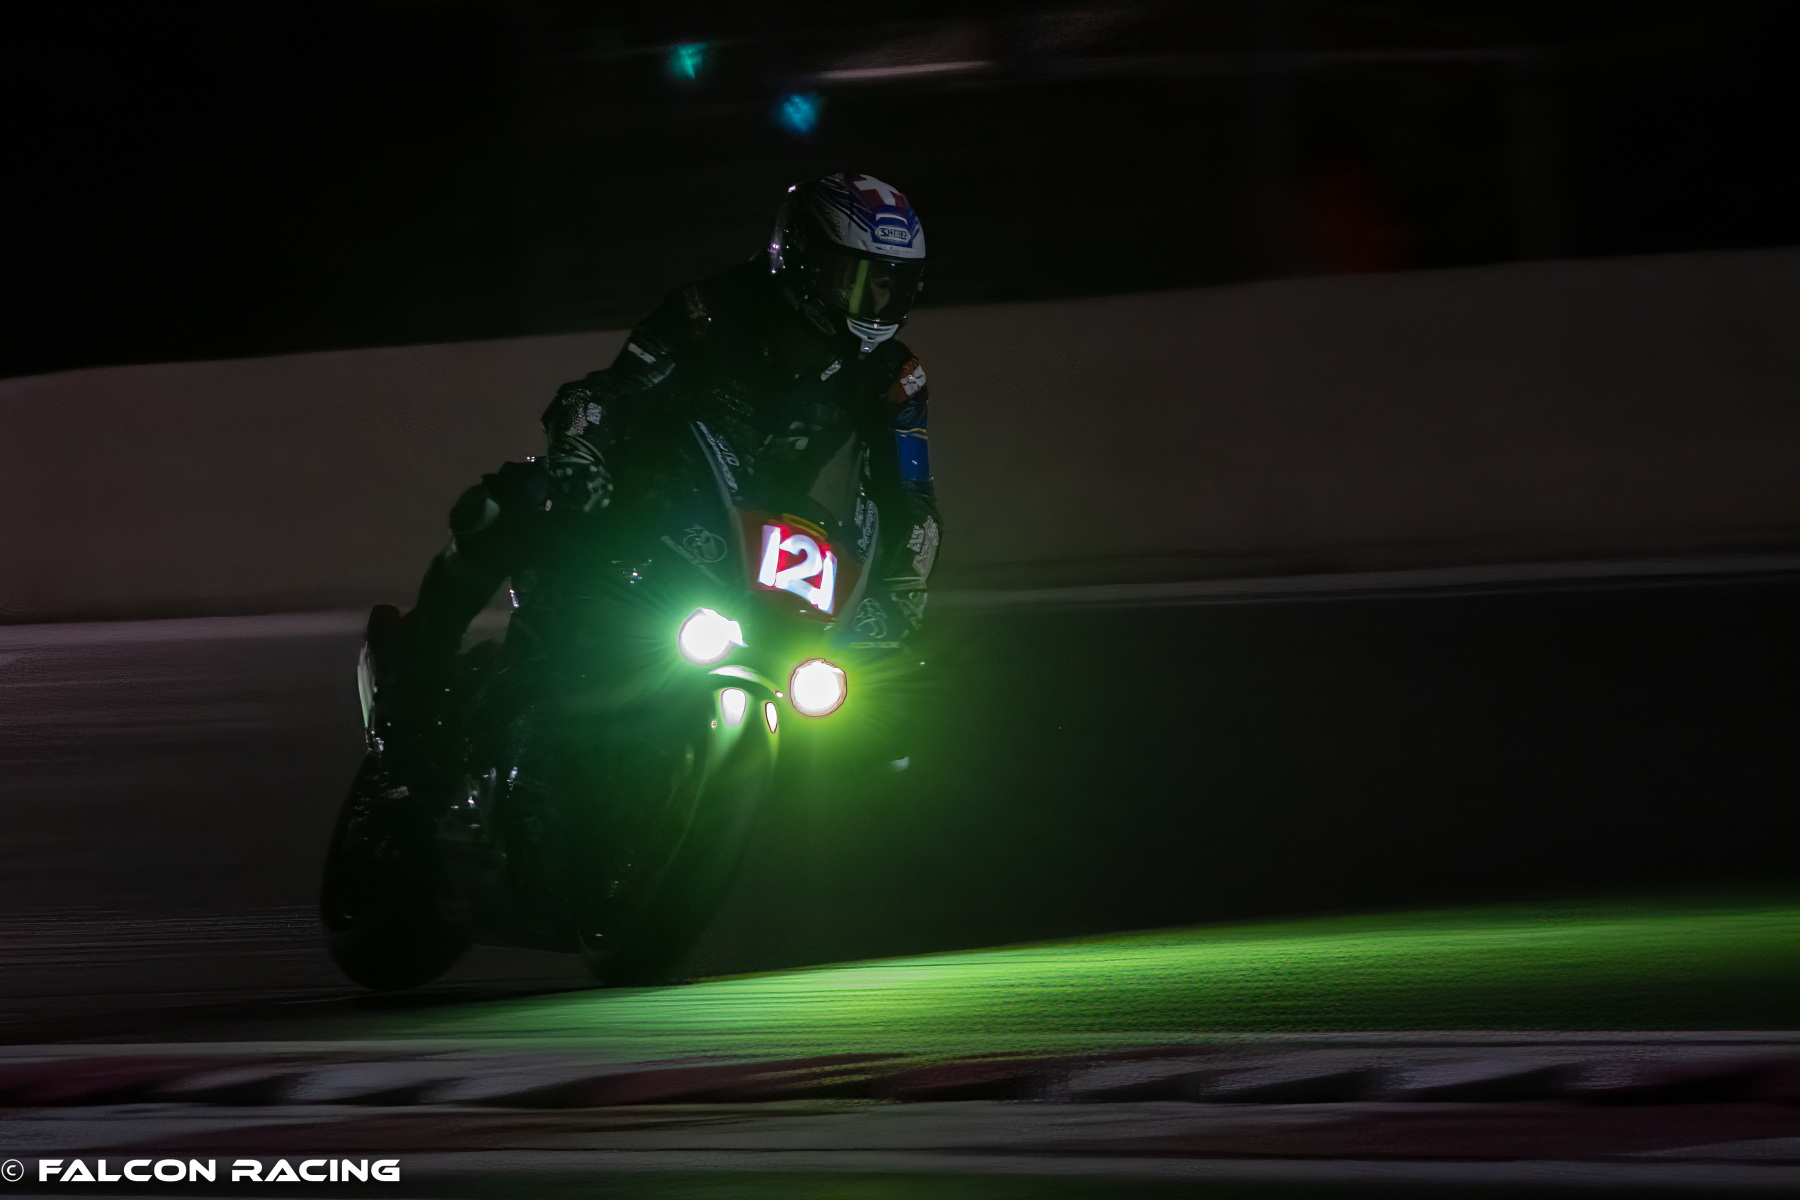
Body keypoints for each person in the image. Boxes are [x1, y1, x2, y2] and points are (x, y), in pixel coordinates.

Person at [387, 172, 941, 750]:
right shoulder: (709, 310)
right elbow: (605, 393)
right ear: (802, 261)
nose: (877, 305)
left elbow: (914, 501)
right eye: (856, 281)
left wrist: (902, 592)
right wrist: (579, 454)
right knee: (510, 501)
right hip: (645, 500)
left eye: (889, 285)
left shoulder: (895, 376)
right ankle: (415, 672)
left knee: (886, 732)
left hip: (766, 540)